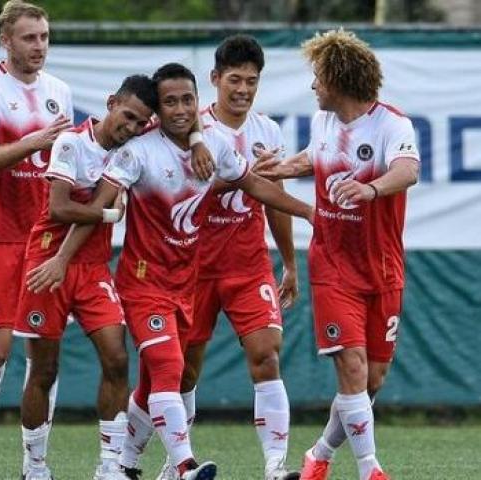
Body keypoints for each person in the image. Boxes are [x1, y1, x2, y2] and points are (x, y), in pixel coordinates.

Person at [28, 63, 314, 480]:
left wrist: (309, 212)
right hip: (143, 282)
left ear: (199, 104)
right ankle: (184, 466)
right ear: (156, 113)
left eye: (187, 100)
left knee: (163, 378)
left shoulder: (214, 143)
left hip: (186, 280)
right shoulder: (137, 150)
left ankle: (123, 463)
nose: (180, 109)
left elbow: (254, 184)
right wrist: (62, 258)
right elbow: (95, 212)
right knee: (166, 367)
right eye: (170, 102)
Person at [253, 29, 419, 480]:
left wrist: (370, 187)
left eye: (318, 78)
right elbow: (316, 156)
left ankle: (319, 454)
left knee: (372, 380)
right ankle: (371, 469)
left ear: (339, 79)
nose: (313, 87)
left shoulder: (391, 124)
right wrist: (286, 166)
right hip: (331, 263)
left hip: (382, 266)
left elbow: (407, 171)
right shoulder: (323, 121)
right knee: (351, 365)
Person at [155, 35, 301, 480]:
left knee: (267, 354)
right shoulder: (190, 129)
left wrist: (291, 262)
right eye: (234, 80)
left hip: (248, 263)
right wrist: (240, 178)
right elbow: (179, 195)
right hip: (194, 265)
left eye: (251, 81)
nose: (242, 89)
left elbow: (274, 199)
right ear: (215, 79)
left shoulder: (267, 131)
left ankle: (276, 466)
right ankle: (175, 461)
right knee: (184, 370)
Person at [14, 74, 158, 480]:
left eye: (140, 123)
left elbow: (188, 118)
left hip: (93, 268)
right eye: (127, 117)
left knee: (116, 357)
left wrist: (198, 141)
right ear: (111, 103)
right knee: (44, 369)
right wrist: (109, 215)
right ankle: (34, 466)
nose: (131, 128)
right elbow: (59, 209)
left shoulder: (133, 149)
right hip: (47, 262)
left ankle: (110, 466)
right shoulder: (71, 142)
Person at [0, 1, 73, 479]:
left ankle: (34, 465)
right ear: (6, 41)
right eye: (29, 38)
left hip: (43, 235)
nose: (39, 46)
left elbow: (63, 164)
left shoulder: (59, 90)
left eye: (44, 36)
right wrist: (35, 142)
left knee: (43, 351)